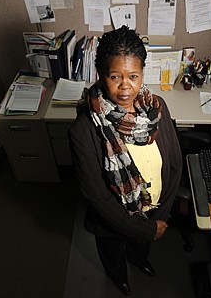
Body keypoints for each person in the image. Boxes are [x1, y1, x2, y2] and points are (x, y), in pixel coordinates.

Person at [69, 26, 182, 296]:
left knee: (140, 247)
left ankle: (138, 259)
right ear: (101, 75)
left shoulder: (157, 109)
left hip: (153, 211)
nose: (125, 86)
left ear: (142, 74)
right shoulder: (84, 131)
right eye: (115, 76)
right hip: (114, 221)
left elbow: (175, 164)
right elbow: (98, 199)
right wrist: (144, 229)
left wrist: (160, 217)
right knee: (112, 252)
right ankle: (118, 276)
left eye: (133, 76)